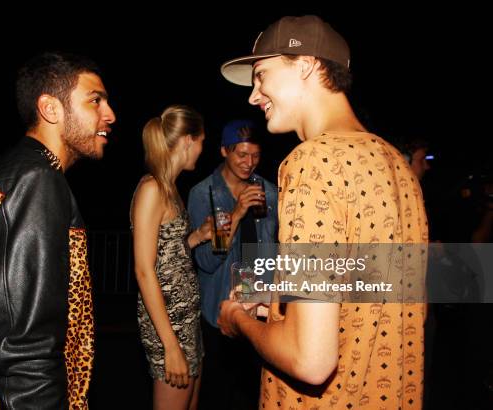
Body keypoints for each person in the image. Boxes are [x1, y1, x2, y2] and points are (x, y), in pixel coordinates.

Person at [217, 15, 428, 409]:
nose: (253, 95)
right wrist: (280, 302)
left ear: (306, 64)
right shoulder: (396, 165)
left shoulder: (313, 161)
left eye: (261, 75)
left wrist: (239, 321)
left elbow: (311, 361)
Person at [0, 51, 115, 408]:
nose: (109, 114)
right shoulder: (37, 181)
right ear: (51, 108)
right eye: (95, 100)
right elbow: (26, 351)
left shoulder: (9, 174)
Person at [186, 119, 278, 409]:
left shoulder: (269, 191)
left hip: (260, 310)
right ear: (224, 151)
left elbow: (275, 252)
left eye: (256, 155)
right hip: (220, 314)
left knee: (255, 397)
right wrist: (236, 214)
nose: (249, 163)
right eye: (242, 155)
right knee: (218, 397)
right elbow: (206, 262)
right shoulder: (205, 194)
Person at [130, 105, 212, 410]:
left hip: (188, 320)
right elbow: (143, 270)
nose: (203, 149)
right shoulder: (151, 188)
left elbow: (168, 251)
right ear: (189, 140)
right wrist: (170, 346)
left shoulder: (171, 189)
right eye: (203, 141)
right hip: (169, 324)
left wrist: (197, 237)